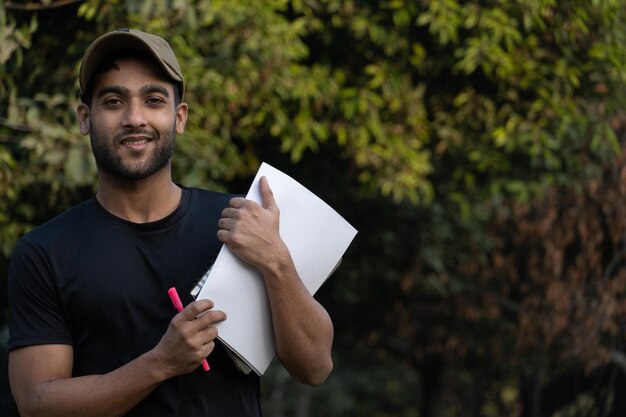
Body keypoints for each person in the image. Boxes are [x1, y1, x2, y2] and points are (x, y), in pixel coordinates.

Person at [7, 28, 334, 417]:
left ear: (178, 117)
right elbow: (37, 403)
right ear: (85, 117)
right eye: (113, 101)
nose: (134, 118)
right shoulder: (45, 252)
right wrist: (161, 363)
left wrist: (277, 261)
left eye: (153, 100)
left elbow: (315, 367)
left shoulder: (240, 224)